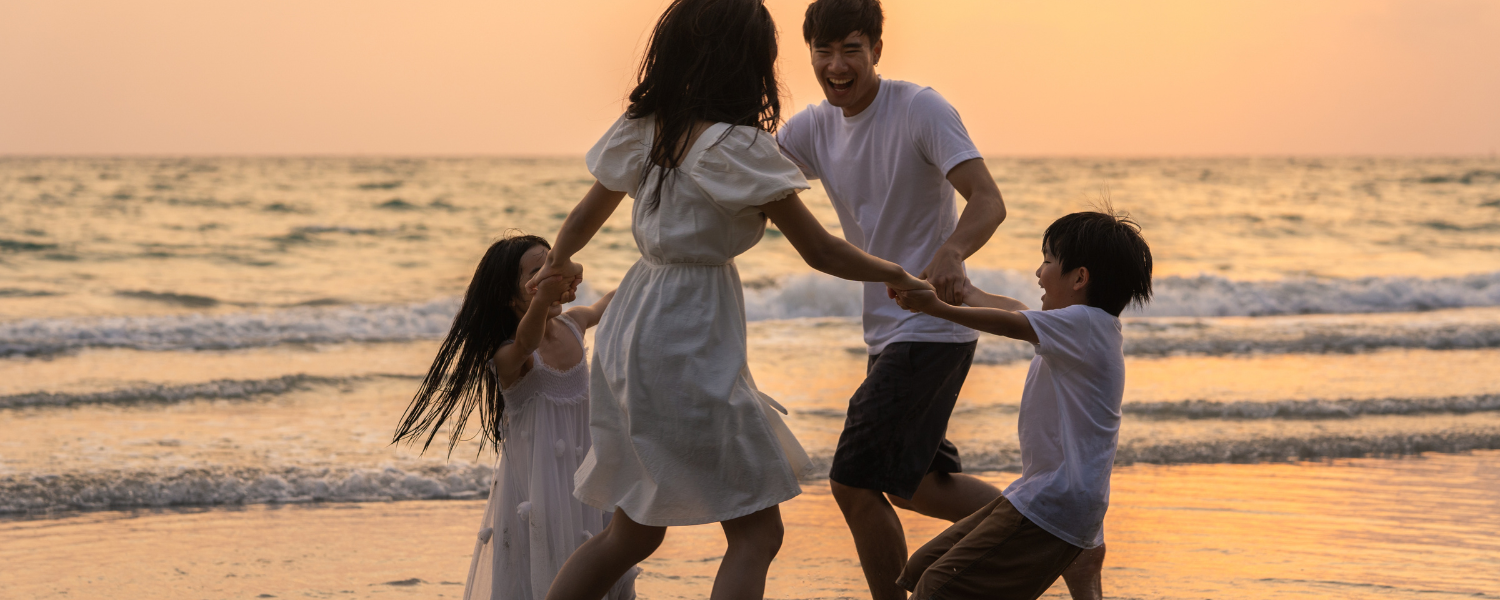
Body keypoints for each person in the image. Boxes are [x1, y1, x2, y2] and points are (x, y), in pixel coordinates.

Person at [529, 1, 933, 599]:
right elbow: (820, 250)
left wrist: (559, 261)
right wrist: (898, 272)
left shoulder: (650, 125)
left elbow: (589, 210)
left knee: (633, 532)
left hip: (633, 325)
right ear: (748, 62)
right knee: (756, 531)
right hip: (689, 332)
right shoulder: (737, 147)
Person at [774, 1, 1017, 598]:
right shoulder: (810, 128)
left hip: (933, 327)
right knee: (923, 485)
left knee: (853, 482)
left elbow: (987, 200)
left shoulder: (919, 109)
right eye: (823, 52)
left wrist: (954, 251)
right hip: (887, 331)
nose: (836, 66)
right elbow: (742, 178)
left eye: (851, 49)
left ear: (877, 49)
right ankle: (1043, 529)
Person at [891, 210, 1152, 599]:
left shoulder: (1084, 324)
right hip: (1039, 495)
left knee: (937, 587)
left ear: (1080, 278)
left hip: (1053, 504)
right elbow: (1013, 310)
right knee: (922, 569)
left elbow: (1010, 323)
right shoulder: (1083, 329)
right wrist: (958, 290)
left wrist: (935, 308)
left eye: (1047, 261)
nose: (1038, 272)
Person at [391, 234, 637, 600]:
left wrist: (655, 264)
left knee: (604, 567)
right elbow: (526, 341)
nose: (552, 275)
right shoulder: (509, 356)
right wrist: (546, 292)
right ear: (512, 297)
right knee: (546, 574)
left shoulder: (574, 325)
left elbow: (611, 303)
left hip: (588, 484)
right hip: (540, 497)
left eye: (553, 265)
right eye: (539, 273)